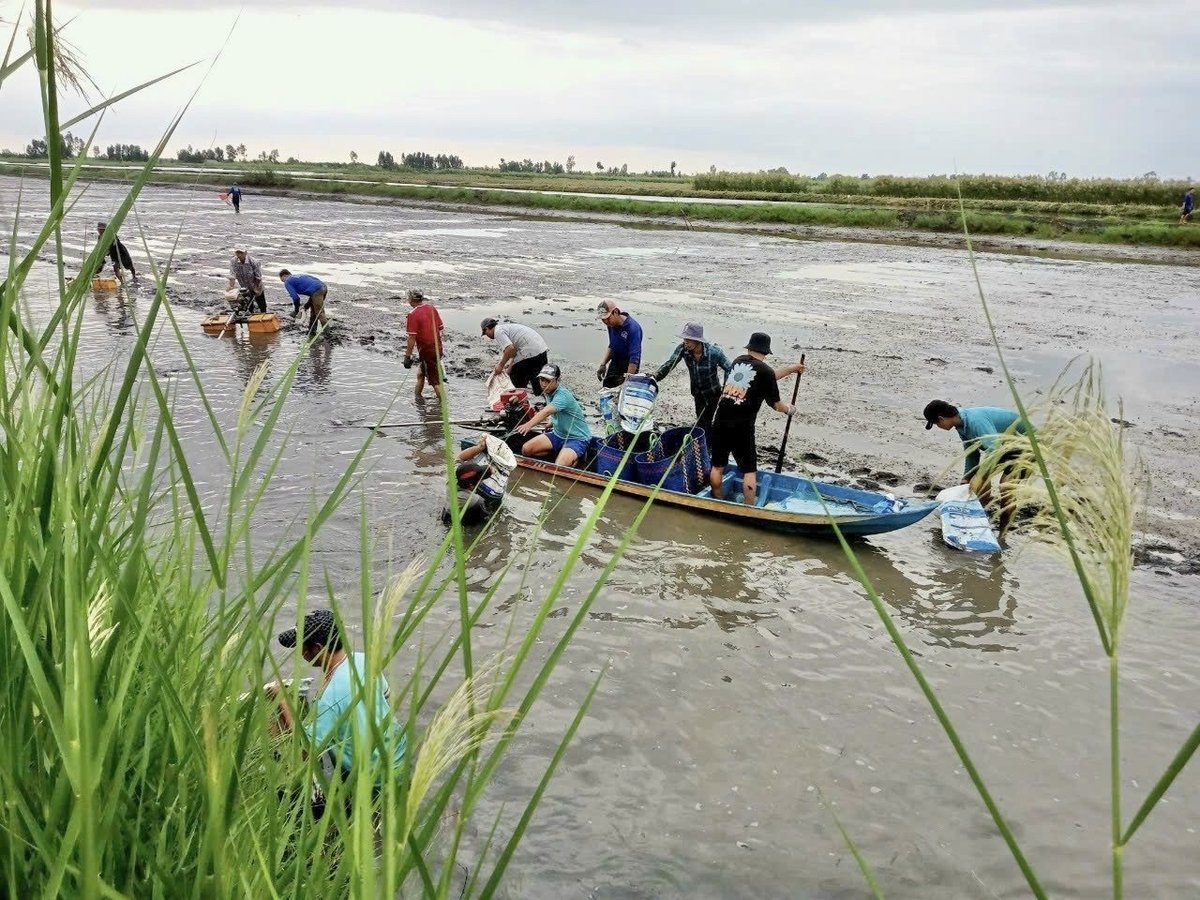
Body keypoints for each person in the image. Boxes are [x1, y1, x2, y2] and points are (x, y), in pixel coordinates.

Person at [269, 608, 407, 811]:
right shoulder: (363, 660)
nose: (300, 653)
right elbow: (387, 697)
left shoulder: (329, 699)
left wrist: (282, 702)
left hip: (372, 782)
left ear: (317, 648)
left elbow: (306, 752)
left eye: (302, 646)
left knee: (290, 801)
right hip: (399, 759)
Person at [708, 332, 806, 506]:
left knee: (717, 466)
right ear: (766, 352)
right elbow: (776, 405)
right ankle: (748, 507)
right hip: (742, 428)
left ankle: (717, 500)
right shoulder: (765, 371)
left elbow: (766, 377)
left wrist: (791, 369)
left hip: (720, 422)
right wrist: (789, 410)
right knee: (749, 470)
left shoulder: (738, 362)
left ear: (750, 348)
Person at [923, 399, 1029, 533]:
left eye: (936, 424)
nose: (939, 427)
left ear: (941, 419)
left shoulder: (975, 421)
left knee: (1005, 487)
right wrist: (966, 477)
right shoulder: (961, 425)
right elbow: (972, 453)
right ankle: (981, 519)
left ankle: (1003, 533)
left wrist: (979, 476)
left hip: (1026, 445)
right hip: (1005, 447)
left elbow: (994, 449)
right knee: (976, 484)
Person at [652, 322, 732, 435]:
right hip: (697, 392)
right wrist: (656, 376)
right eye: (685, 338)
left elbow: (729, 368)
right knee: (700, 419)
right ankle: (703, 440)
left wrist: (726, 389)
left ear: (698, 340)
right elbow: (670, 363)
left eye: (689, 339)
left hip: (712, 392)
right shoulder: (683, 349)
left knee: (709, 420)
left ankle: (709, 444)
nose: (686, 342)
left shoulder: (714, 352)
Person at [515, 364, 593, 467]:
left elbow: (546, 411)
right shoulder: (548, 392)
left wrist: (528, 425)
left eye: (548, 380)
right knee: (526, 449)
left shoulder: (562, 395)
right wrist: (551, 422)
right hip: (558, 434)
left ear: (558, 380)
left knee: (559, 466)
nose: (543, 384)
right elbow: (556, 412)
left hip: (577, 438)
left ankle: (577, 458)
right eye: (541, 380)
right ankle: (558, 453)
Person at [443, 435, 512, 526]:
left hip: (448, 509)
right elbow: (486, 520)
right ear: (472, 485)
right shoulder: (475, 501)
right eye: (480, 479)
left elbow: (459, 457)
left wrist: (479, 447)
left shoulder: (454, 475)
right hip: (456, 520)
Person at [481, 318, 550, 395]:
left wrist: (500, 365)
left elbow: (509, 349)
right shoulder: (507, 328)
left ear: (486, 328)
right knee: (539, 384)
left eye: (485, 333)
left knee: (515, 384)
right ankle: (546, 403)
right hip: (541, 350)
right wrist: (510, 367)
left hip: (529, 353)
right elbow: (514, 351)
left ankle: (516, 402)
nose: (487, 336)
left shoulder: (498, 332)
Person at [404, 289, 445, 401]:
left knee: (435, 381)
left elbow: (411, 338)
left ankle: (442, 406)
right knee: (421, 374)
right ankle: (418, 399)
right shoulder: (432, 308)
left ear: (411, 299)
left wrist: (407, 356)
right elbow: (440, 327)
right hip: (437, 348)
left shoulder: (412, 314)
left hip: (427, 351)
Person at [595, 299, 643, 388]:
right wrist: (603, 364)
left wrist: (627, 381)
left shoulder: (633, 328)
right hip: (616, 360)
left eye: (607, 318)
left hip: (629, 363)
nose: (606, 322)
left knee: (624, 392)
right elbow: (612, 345)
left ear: (615, 312)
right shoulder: (611, 325)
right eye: (603, 320)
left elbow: (634, 358)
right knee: (607, 387)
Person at [279, 269, 329, 336]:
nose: (283, 282)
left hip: (317, 290)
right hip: (323, 287)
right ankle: (312, 331)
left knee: (320, 313)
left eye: (282, 280)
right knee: (314, 311)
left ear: (284, 276)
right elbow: (313, 286)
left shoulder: (287, 281)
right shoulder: (299, 276)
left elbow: (296, 298)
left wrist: (296, 311)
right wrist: (306, 306)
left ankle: (328, 334)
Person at [227, 247, 267, 313]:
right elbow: (232, 275)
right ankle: (250, 315)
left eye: (241, 253)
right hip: (244, 286)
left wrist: (256, 289)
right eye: (238, 253)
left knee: (261, 303)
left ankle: (264, 314)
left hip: (256, 285)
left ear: (246, 253)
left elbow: (258, 277)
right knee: (247, 304)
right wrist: (231, 287)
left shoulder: (254, 262)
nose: (239, 255)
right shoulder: (233, 261)